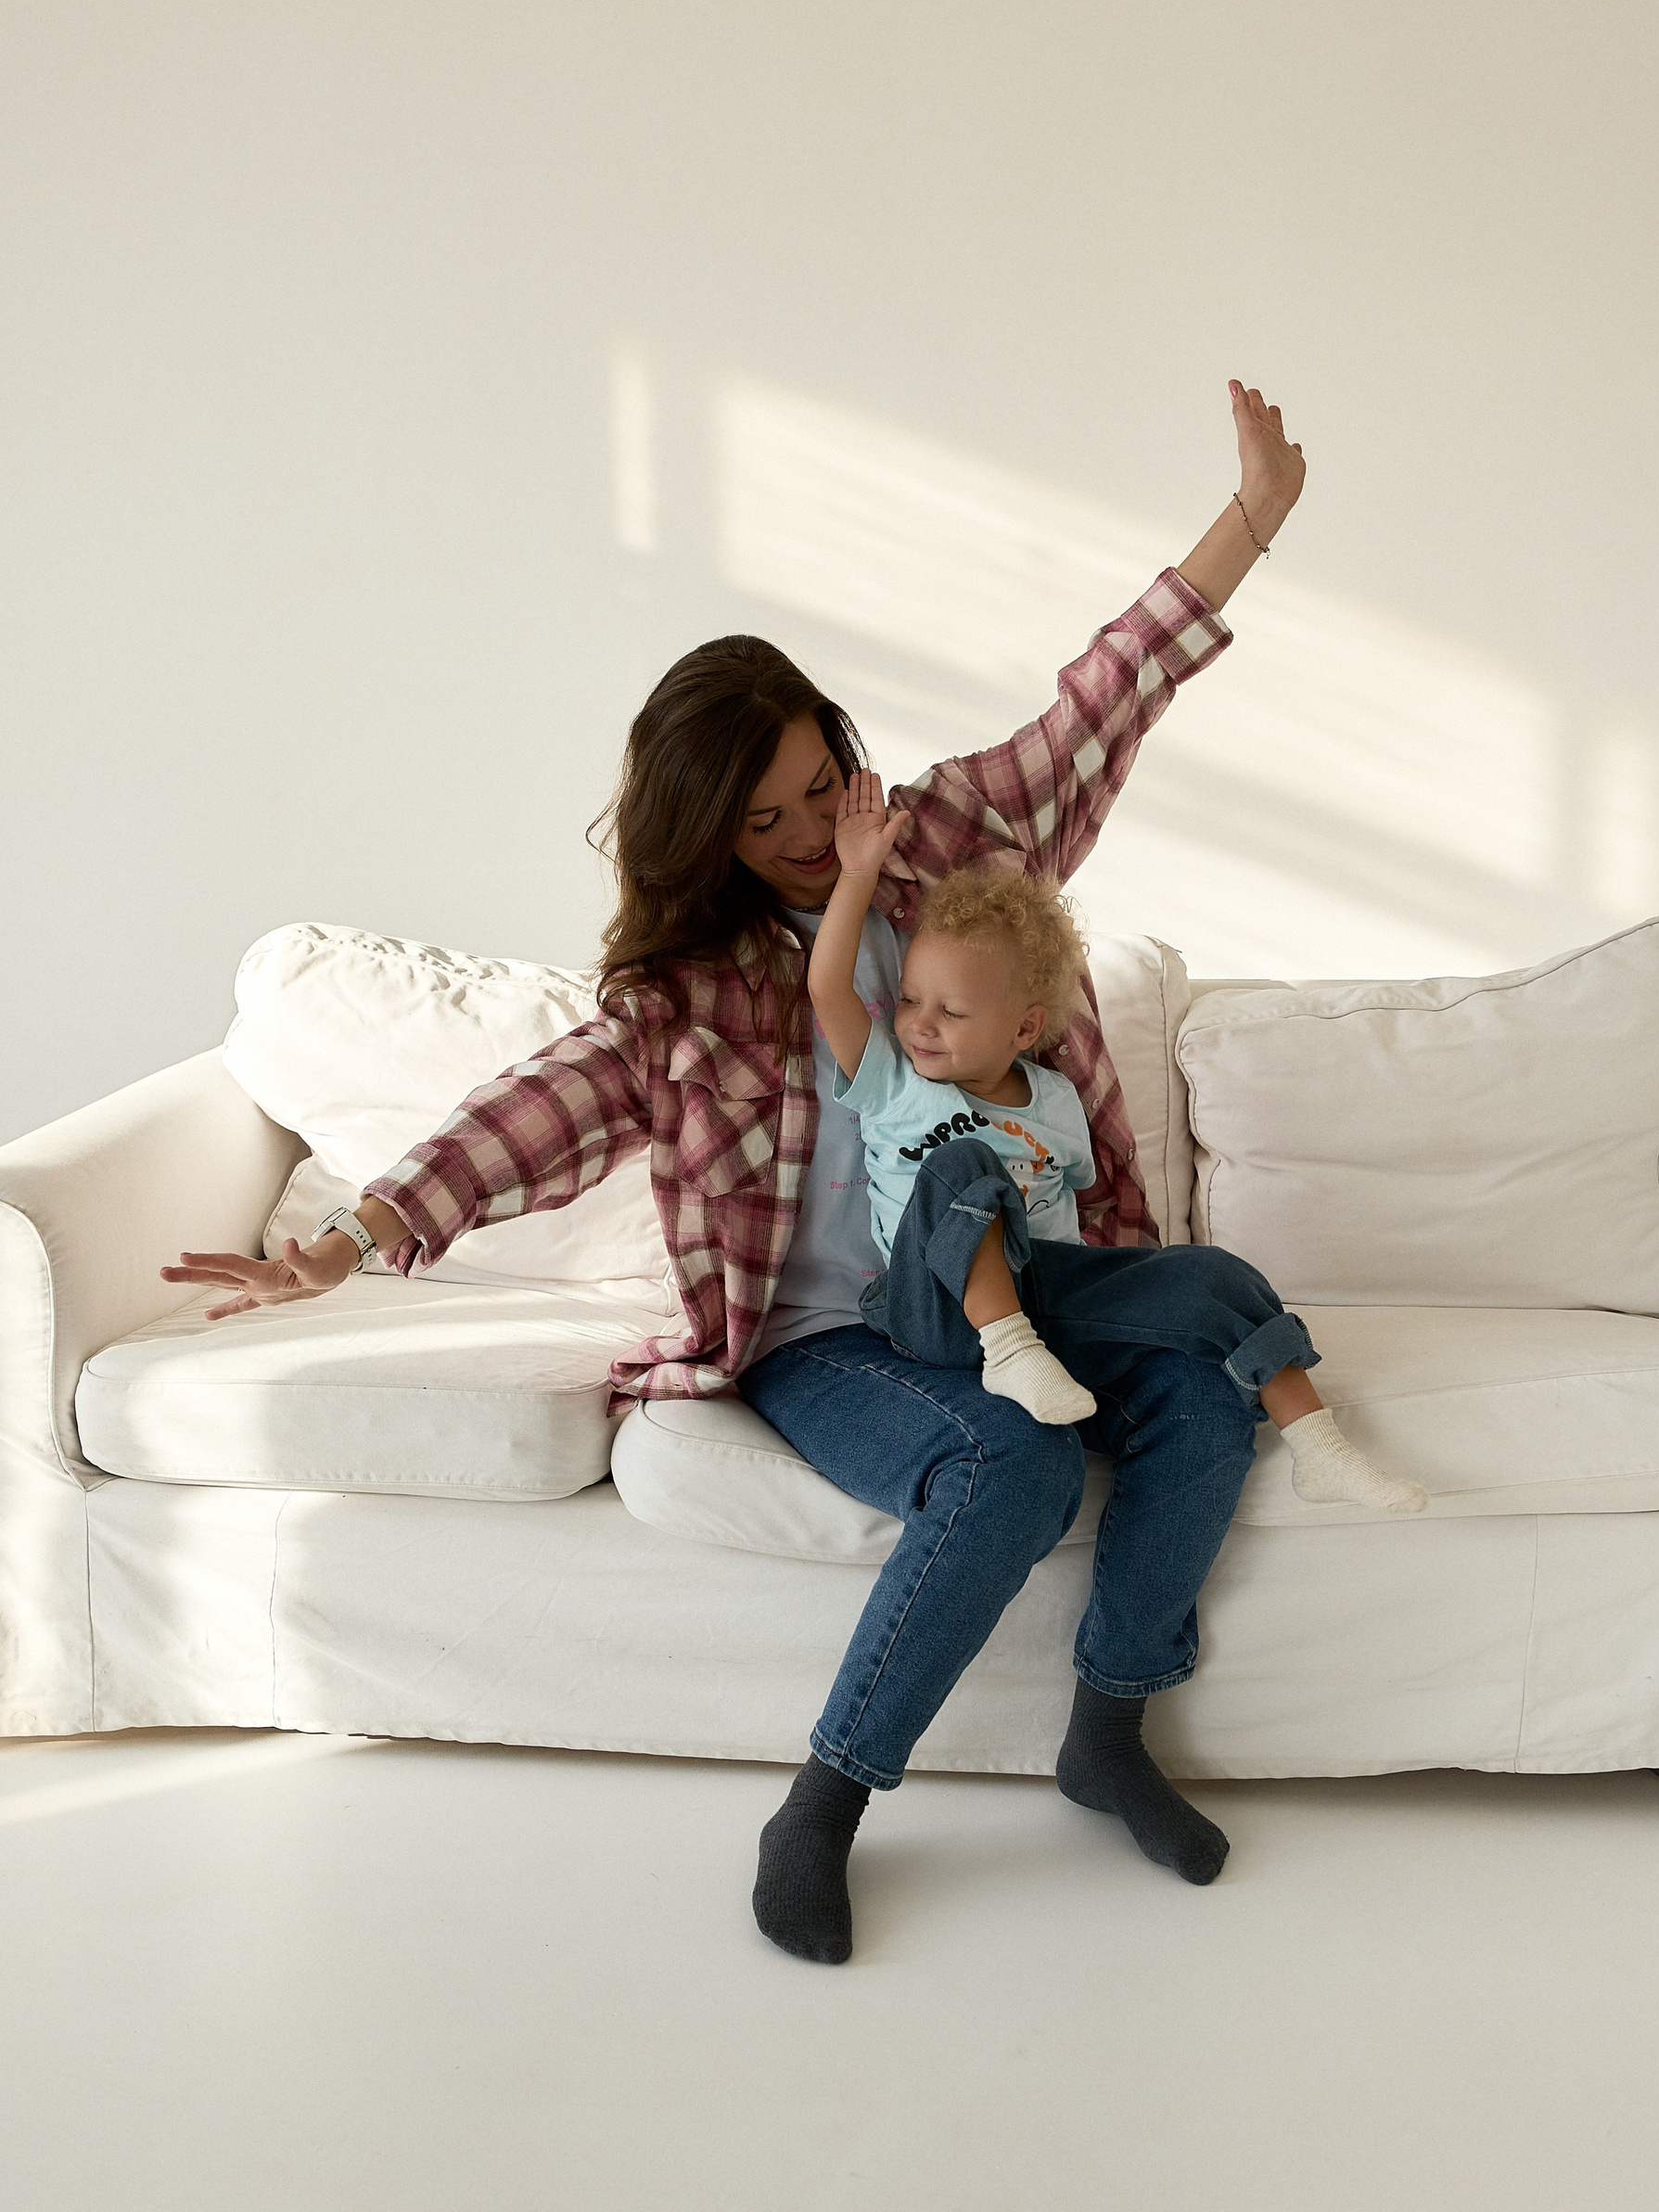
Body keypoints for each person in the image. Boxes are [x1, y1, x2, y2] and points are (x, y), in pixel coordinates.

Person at [163, 380, 1338, 1967]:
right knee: (1012, 1465)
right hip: (832, 1339)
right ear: (706, 829)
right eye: (758, 816)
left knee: (1203, 1396)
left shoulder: (948, 841)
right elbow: (531, 1114)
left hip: (1035, 1292)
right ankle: (825, 1803)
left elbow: (1099, 705)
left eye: (812, 789)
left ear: (846, 759)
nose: (796, 833)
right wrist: (347, 1237)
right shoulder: (687, 995)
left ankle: (1109, 1729)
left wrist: (1249, 521)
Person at [804, 808, 1428, 1523]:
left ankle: (1319, 1443)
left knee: (1213, 1272)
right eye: (912, 998)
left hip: (1046, 1304)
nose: (919, 1021)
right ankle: (1007, 1348)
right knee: (966, 1163)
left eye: (952, 1011)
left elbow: (1071, 1209)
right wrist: (857, 873)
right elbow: (828, 989)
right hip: (934, 1307)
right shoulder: (891, 1080)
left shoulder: (1055, 1102)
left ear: (1024, 1027)